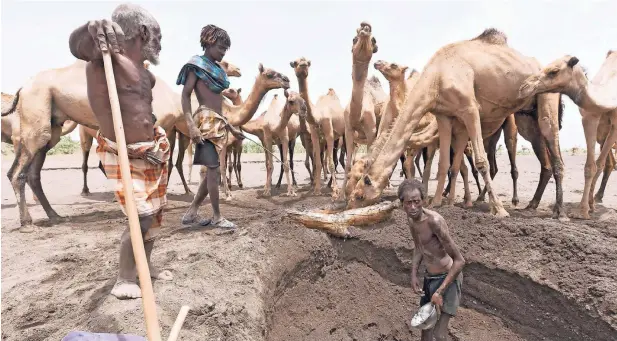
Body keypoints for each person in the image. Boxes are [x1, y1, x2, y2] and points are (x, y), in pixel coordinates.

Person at [68, 3, 173, 300]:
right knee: (138, 216)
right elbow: (79, 46)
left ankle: (145, 267)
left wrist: (153, 142)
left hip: (150, 152)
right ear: (142, 31)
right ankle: (124, 279)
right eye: (158, 35)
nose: (160, 42)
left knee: (153, 217)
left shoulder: (146, 75)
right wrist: (92, 28)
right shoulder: (104, 61)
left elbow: (143, 114)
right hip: (123, 153)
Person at [177, 24, 244, 229]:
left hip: (218, 122)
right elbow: (186, 95)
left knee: (212, 172)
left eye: (226, 48)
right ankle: (216, 217)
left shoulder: (216, 68)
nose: (223, 52)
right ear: (209, 42)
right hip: (205, 122)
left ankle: (191, 212)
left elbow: (218, 104)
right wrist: (191, 125)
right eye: (221, 47)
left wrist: (230, 127)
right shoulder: (196, 66)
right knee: (214, 170)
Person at [398, 179, 465, 341]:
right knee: (425, 328)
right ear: (402, 204)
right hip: (430, 279)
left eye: (416, 202)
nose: (413, 207)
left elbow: (460, 261)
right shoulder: (411, 220)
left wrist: (439, 291)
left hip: (448, 278)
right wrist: (413, 275)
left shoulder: (434, 222)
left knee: (439, 334)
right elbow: (419, 248)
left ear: (424, 201)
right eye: (408, 203)